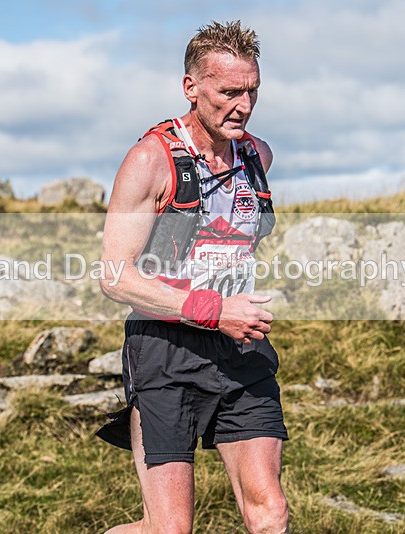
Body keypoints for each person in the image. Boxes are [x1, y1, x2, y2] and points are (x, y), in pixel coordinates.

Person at [98, 20, 289, 534]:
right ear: (191, 87)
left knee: (269, 513)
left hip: (240, 350)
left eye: (251, 91)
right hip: (165, 351)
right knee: (169, 529)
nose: (243, 106)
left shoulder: (258, 156)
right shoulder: (148, 161)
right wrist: (214, 309)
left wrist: (235, 305)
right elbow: (115, 278)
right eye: (228, 92)